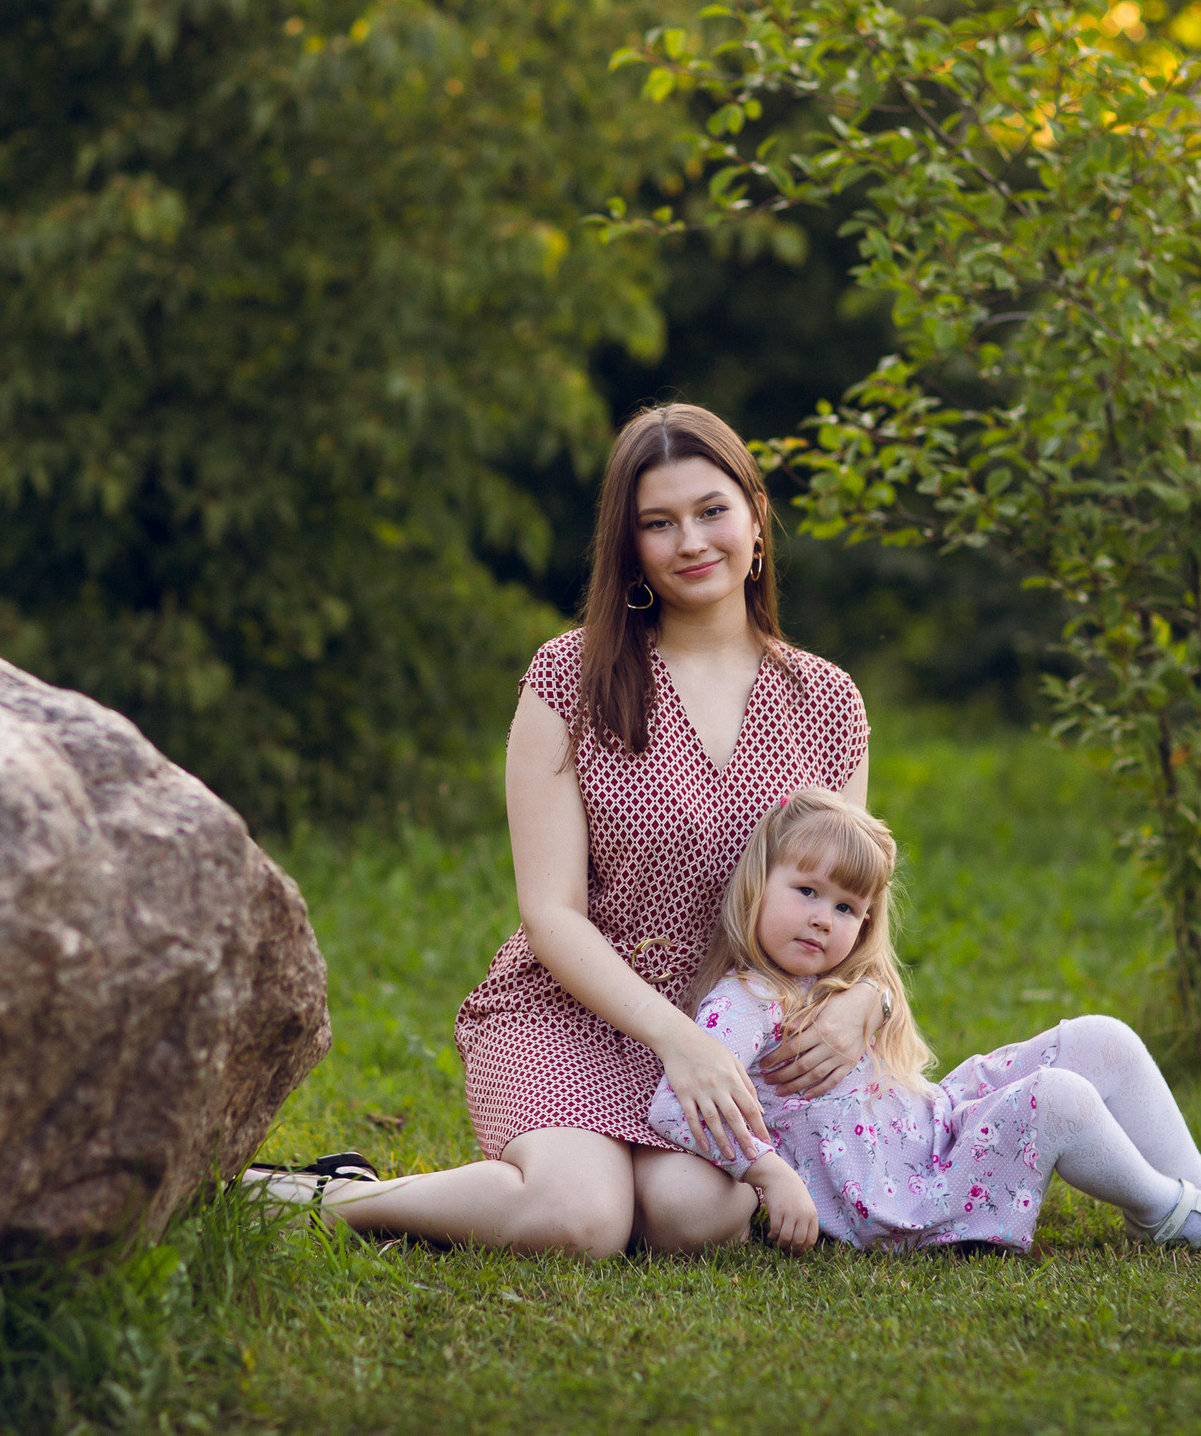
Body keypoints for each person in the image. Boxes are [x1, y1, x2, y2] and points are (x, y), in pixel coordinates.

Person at [257, 403, 887, 1254]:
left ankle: (620, 1176)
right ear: (630, 546)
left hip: (732, 1031)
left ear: (756, 519)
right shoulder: (569, 677)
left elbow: (853, 903)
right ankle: (319, 1195)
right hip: (569, 1009)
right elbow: (550, 912)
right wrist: (673, 1038)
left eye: (712, 511)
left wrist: (867, 1003)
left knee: (696, 1218)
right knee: (580, 1217)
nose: (691, 542)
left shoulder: (827, 700)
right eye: (658, 523)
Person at [647, 787, 1201, 1254]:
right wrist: (769, 1173)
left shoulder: (836, 981)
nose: (824, 918)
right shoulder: (746, 1000)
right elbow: (677, 1107)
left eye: (847, 908)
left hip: (933, 1127)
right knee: (1057, 1099)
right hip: (903, 1193)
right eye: (807, 892)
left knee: (1101, 1039)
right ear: (757, 884)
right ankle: (1166, 1213)